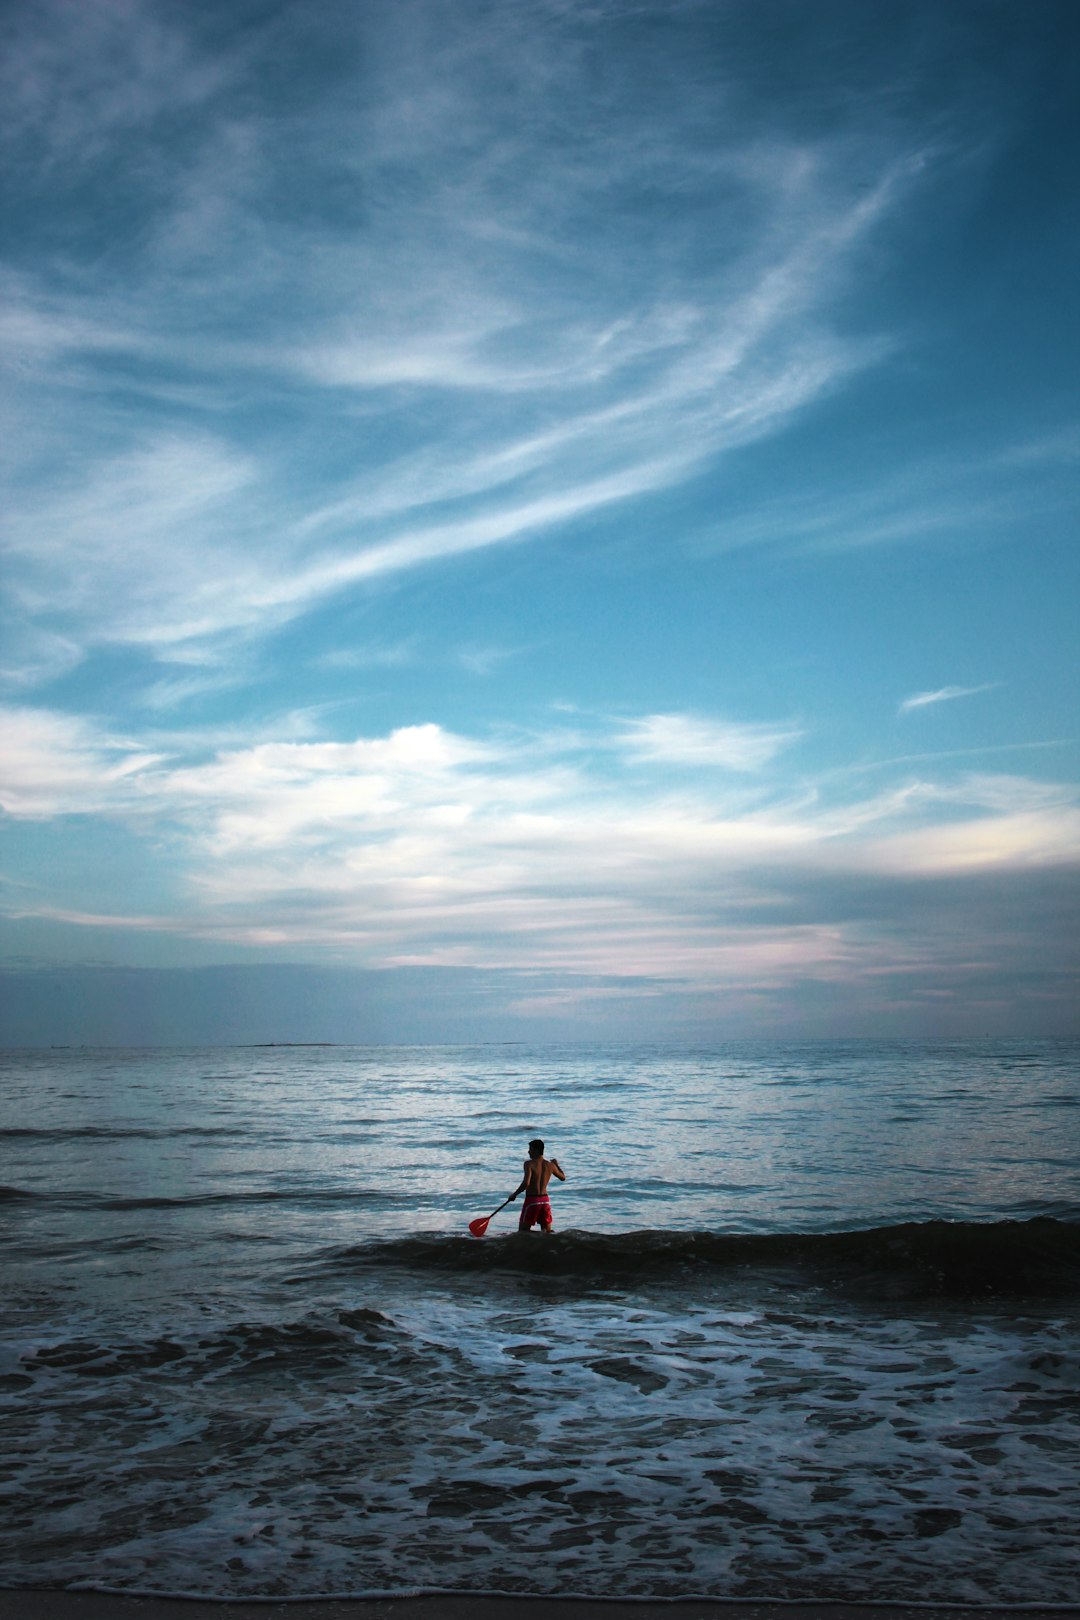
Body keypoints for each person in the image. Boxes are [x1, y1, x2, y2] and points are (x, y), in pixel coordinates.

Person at [512, 1137, 566, 1233]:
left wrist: (514, 1194)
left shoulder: (529, 1164)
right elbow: (563, 1178)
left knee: (522, 1233)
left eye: (530, 1149)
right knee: (547, 1233)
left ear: (536, 1150)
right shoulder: (550, 1165)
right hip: (545, 1201)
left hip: (532, 1201)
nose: (528, 1152)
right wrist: (556, 1164)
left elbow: (526, 1183)